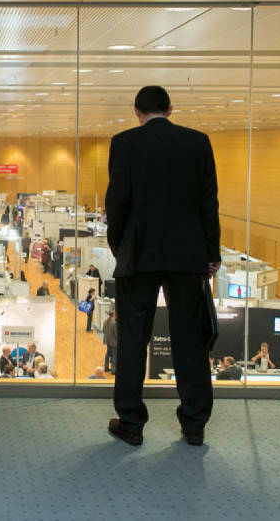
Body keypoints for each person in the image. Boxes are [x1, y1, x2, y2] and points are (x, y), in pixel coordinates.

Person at [105, 85, 220, 447]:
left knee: (132, 339)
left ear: (136, 111)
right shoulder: (197, 142)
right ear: (170, 109)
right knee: (190, 340)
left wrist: (118, 247)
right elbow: (208, 202)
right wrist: (211, 252)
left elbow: (117, 203)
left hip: (138, 254)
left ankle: (131, 422)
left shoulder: (124, 143)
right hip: (187, 255)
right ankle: (194, 423)